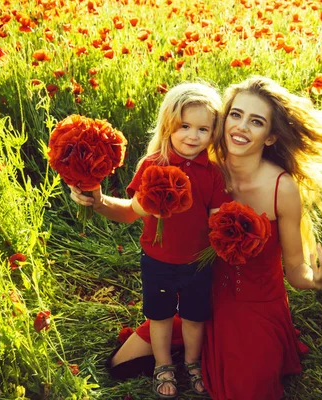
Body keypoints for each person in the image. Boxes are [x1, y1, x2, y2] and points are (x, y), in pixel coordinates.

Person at [72, 76, 322, 399]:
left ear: (270, 136)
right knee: (121, 363)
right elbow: (137, 209)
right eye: (236, 115)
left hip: (255, 306)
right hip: (201, 290)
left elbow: (296, 271)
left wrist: (317, 280)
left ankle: (209, 352)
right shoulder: (204, 164)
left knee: (242, 389)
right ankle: (183, 351)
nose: (241, 126)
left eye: (256, 121)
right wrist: (98, 201)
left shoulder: (282, 188)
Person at [70, 82, 231, 398]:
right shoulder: (152, 164)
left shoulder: (212, 172)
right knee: (158, 315)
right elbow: (133, 209)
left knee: (194, 316)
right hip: (158, 260)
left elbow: (216, 216)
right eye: (184, 126)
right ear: (169, 123)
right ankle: (162, 365)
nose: (192, 136)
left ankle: (192, 363)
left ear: (214, 133)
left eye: (203, 129)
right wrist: (127, 202)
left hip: (198, 260)